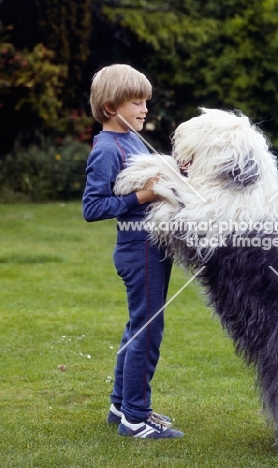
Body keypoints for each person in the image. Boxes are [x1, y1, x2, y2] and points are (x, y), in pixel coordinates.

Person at [82, 64, 183, 440]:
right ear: (110, 107)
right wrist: (145, 195)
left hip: (154, 247)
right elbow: (92, 208)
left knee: (137, 325)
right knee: (147, 329)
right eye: (136, 102)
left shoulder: (135, 141)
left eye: (146, 102)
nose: (144, 109)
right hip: (137, 249)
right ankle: (136, 420)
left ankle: (120, 405)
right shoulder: (107, 149)